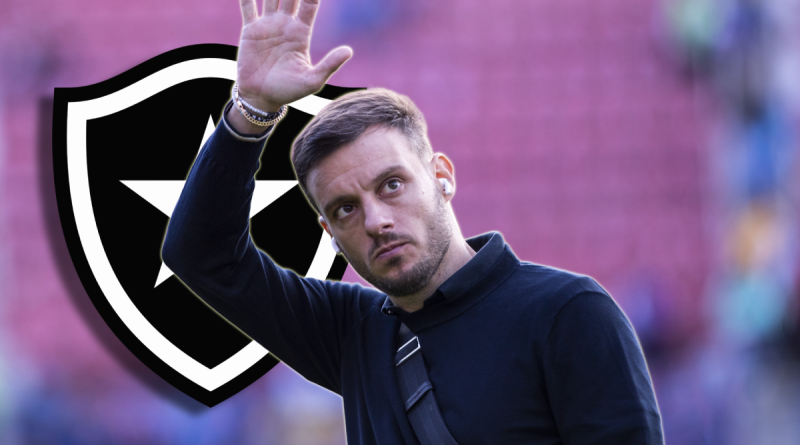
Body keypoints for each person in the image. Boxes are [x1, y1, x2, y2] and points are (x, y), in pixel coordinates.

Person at [162, 0, 665, 443]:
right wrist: (251, 111)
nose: (376, 220)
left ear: (441, 176)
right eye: (345, 209)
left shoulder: (569, 314)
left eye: (391, 185)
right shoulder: (351, 335)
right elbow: (201, 255)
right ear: (329, 234)